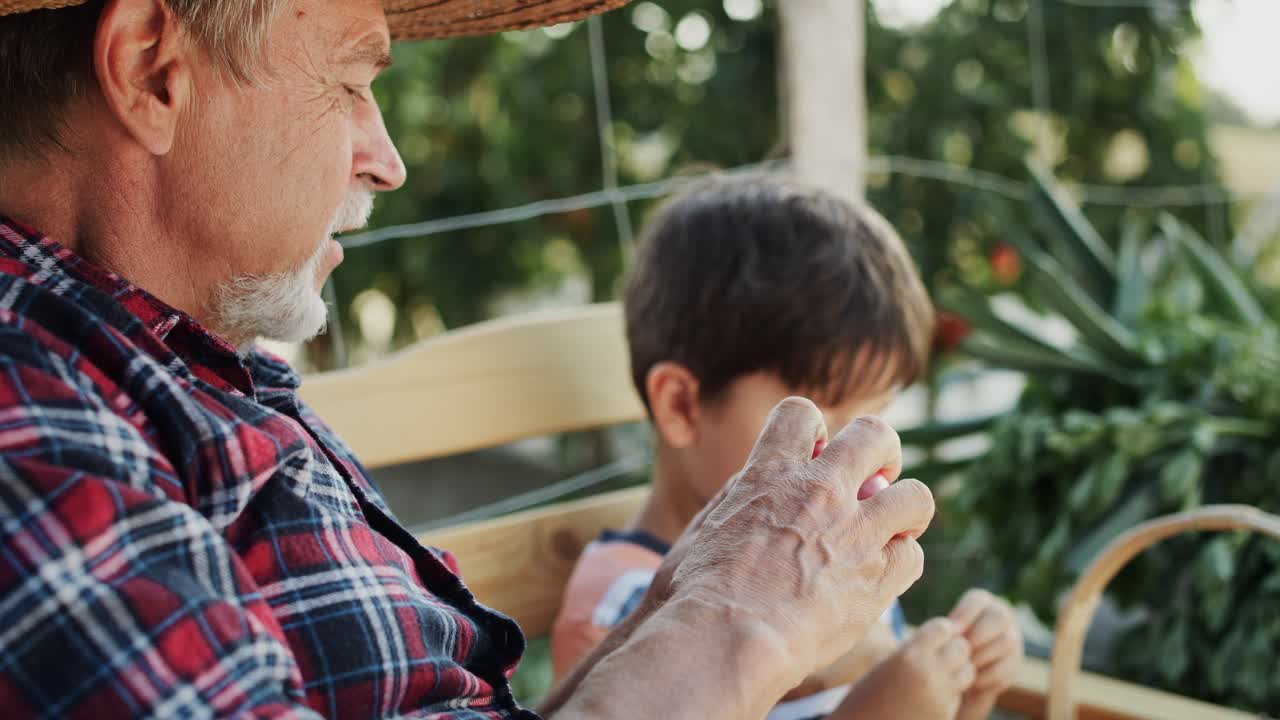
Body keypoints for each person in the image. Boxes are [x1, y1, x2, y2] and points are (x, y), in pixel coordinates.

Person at [0, 1, 937, 718]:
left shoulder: (176, 358)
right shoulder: (28, 418)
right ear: (151, 70)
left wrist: (697, 597)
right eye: (353, 82)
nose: (385, 158)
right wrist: (742, 627)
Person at [551, 177, 1025, 720]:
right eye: (820, 419)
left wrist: (969, 688)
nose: (862, 471)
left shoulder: (837, 559)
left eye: (875, 419)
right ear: (682, 406)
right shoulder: (618, 614)